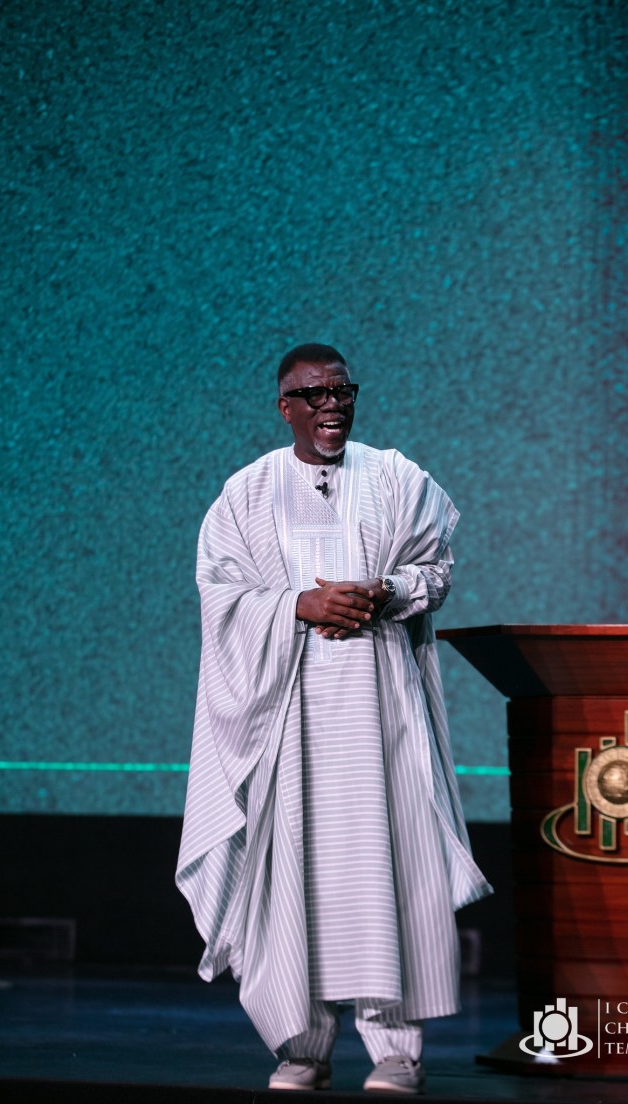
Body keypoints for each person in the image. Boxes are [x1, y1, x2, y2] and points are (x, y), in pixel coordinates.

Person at [176, 344, 492, 1094]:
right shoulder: (247, 493)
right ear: (284, 406)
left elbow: (437, 571)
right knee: (295, 877)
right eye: (314, 394)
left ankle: (395, 1051)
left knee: (391, 868)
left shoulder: (397, 478)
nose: (332, 405)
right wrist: (300, 603)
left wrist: (387, 591)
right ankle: (302, 1047)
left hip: (380, 714)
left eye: (342, 392)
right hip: (287, 720)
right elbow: (221, 596)